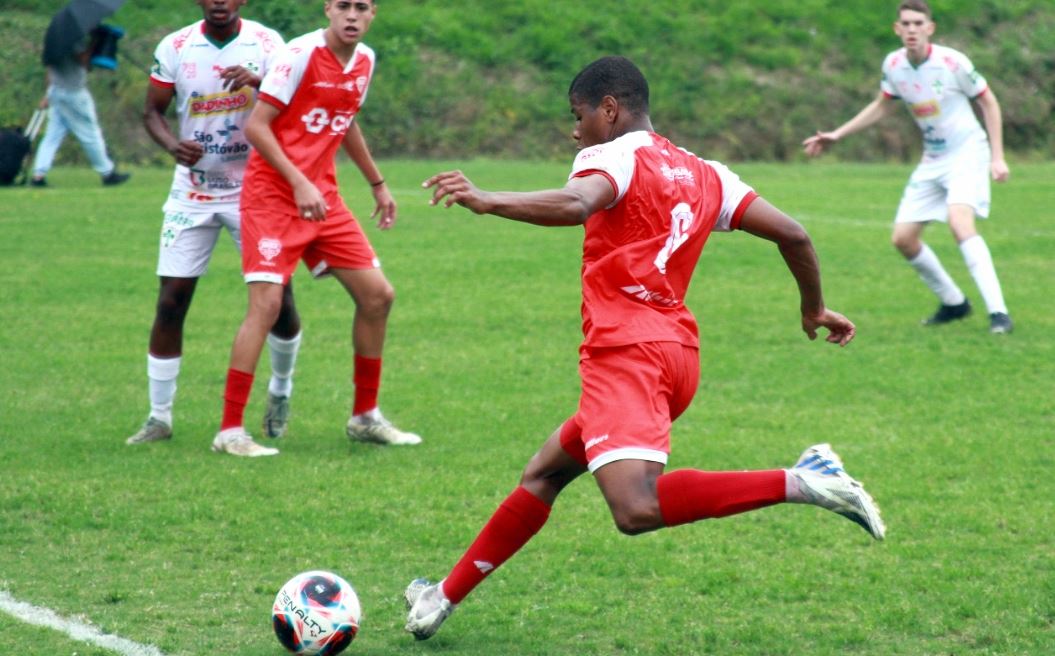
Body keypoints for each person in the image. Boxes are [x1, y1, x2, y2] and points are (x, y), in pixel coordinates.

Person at [403, 56, 884, 641]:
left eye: (578, 116)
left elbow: (577, 203)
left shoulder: (611, 155)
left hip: (625, 356)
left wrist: (487, 198)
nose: (575, 131)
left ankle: (804, 479)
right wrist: (813, 307)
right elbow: (794, 234)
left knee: (635, 508)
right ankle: (440, 598)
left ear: (609, 109)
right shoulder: (710, 173)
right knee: (543, 475)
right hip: (676, 357)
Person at [212, 0, 420, 457]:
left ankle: (365, 417)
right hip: (273, 196)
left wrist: (378, 184)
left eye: (360, 7)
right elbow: (257, 126)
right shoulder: (299, 55)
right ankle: (229, 431)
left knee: (378, 295)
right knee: (265, 305)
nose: (351, 15)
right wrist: (299, 181)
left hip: (322, 197)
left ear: (372, 14)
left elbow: (345, 123)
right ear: (328, 10)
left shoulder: (365, 60)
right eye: (342, 5)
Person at [126, 0, 304, 455]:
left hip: (258, 190)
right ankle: (158, 417)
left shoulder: (267, 44)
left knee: (279, 301)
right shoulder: (177, 46)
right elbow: (152, 111)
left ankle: (280, 390)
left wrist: (262, 82)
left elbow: (297, 103)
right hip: (193, 192)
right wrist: (172, 145)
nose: (219, 1)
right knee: (171, 300)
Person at [803, 0, 1012, 334]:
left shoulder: (952, 62)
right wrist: (837, 135)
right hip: (933, 158)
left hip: (968, 152)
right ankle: (955, 303)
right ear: (897, 29)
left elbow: (987, 100)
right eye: (906, 24)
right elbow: (882, 105)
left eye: (918, 23)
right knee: (903, 239)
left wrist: (997, 156)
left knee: (960, 223)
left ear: (930, 28)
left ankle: (999, 314)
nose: (912, 29)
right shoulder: (894, 64)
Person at [30, 27, 130, 187]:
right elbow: (84, 61)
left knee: (52, 135)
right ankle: (107, 173)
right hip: (73, 93)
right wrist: (95, 42)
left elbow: (50, 69)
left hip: (56, 90)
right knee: (90, 134)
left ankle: (38, 175)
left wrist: (47, 95)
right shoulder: (73, 42)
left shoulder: (53, 44)